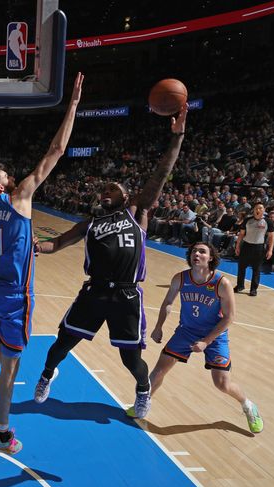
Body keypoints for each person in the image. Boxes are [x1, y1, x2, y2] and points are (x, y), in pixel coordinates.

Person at [33, 104, 189, 420]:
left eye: (112, 189)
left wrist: (177, 137)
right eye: (103, 189)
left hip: (127, 296)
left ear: (126, 196)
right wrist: (37, 247)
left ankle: (143, 391)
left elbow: (161, 173)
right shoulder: (89, 222)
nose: (105, 192)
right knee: (62, 343)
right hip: (94, 293)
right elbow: (58, 243)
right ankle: (47, 375)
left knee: (131, 360)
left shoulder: (137, 212)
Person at [0, 72, 84, 455]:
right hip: (16, 298)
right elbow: (55, 151)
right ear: (1, 186)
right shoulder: (18, 198)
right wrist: (73, 107)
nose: (9, 173)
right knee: (9, 367)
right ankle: (1, 433)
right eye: (4, 173)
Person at [136, 242, 263, 433]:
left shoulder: (222, 283)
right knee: (160, 369)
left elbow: (229, 318)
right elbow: (168, 302)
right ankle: (143, 403)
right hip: (186, 331)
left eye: (202, 251)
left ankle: (248, 405)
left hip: (214, 335)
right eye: (194, 251)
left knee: (222, 383)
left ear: (210, 257)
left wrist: (206, 341)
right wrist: (159, 326)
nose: (196, 254)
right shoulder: (180, 278)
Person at [234, 202, 274, 296]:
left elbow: (271, 237)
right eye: (256, 208)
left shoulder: (268, 222)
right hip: (246, 246)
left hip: (259, 248)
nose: (258, 210)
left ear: (263, 210)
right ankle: (240, 286)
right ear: (254, 210)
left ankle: (253, 289)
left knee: (256, 269)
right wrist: (237, 246)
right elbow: (241, 234)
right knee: (241, 268)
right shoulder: (247, 220)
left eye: (260, 208)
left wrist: (270, 250)